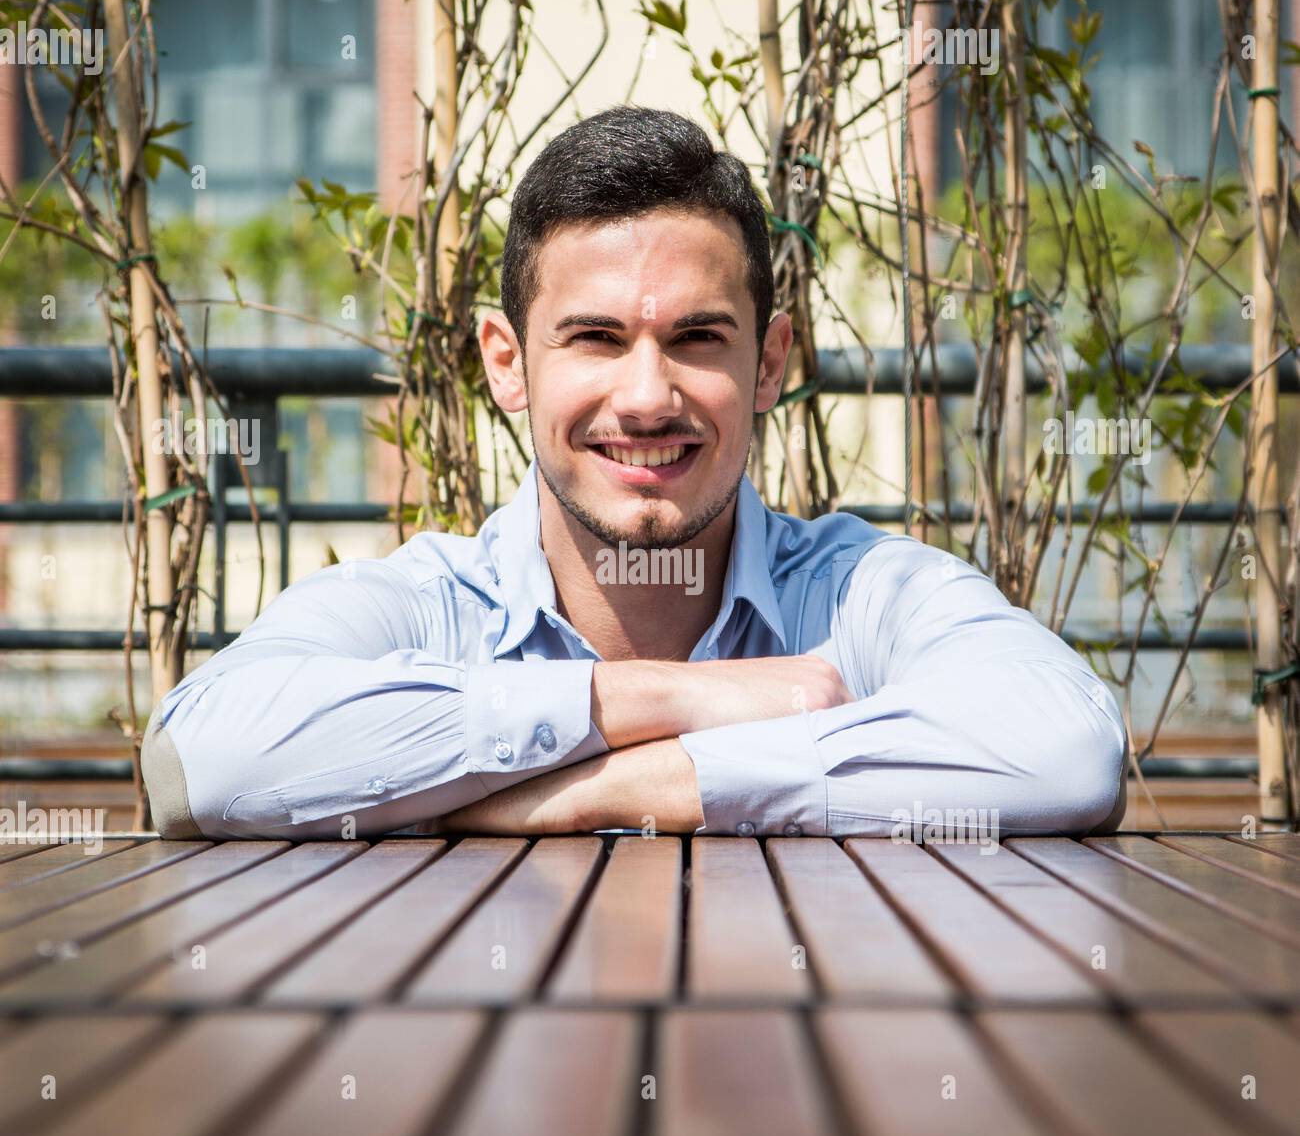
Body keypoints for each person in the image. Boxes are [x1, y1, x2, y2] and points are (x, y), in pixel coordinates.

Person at [141, 106, 1127, 842]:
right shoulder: (428, 605)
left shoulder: (861, 594)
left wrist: (611, 789)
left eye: (697, 337)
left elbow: (1066, 750)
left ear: (770, 362)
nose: (648, 397)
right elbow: (200, 761)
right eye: (595, 339)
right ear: (506, 363)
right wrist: (668, 699)